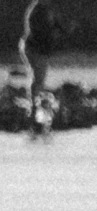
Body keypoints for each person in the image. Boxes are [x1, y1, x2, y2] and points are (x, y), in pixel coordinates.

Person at [17, 0, 53, 139]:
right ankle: (33, 108)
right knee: (38, 77)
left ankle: (35, 107)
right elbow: (36, 30)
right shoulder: (38, 10)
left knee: (38, 78)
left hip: (35, 47)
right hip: (33, 48)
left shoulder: (44, 9)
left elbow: (53, 28)